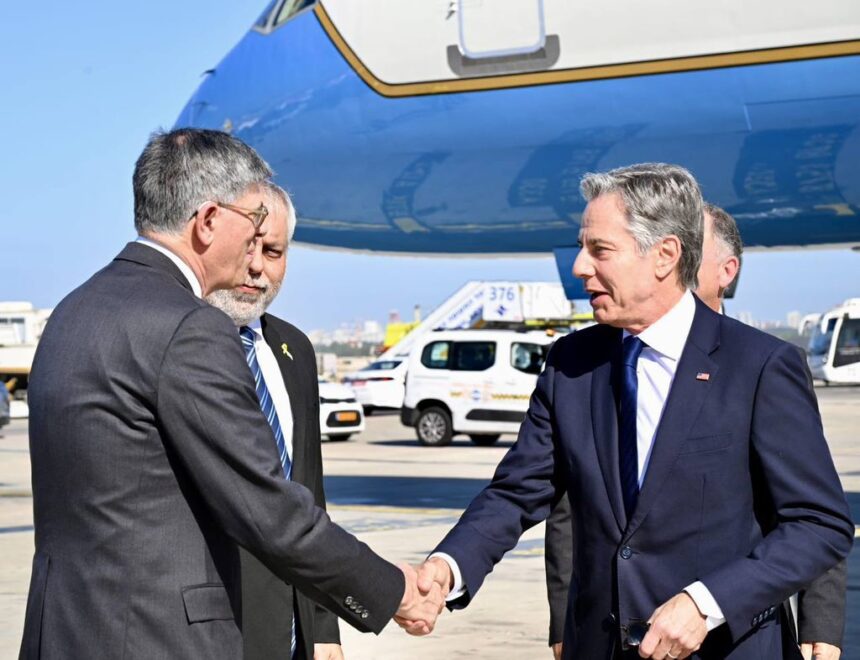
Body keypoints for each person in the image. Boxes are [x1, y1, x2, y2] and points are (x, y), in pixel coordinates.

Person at [20, 128, 442, 659]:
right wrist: (394, 588)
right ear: (208, 222)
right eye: (253, 223)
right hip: (158, 639)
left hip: (66, 635)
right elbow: (267, 509)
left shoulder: (74, 311)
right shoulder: (188, 327)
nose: (255, 250)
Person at [414, 163, 853, 659]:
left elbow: (819, 523)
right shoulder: (571, 363)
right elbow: (516, 493)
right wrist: (448, 567)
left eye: (600, 250)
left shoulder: (759, 366)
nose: (580, 266)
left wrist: (706, 603)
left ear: (665, 255)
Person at [543, 203, 848, 660]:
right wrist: (566, 617)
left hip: (728, 640)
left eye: (693, 248)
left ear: (726, 271)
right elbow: (569, 506)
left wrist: (819, 617)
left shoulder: (762, 365)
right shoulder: (593, 361)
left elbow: (805, 508)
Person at [205, 182, 343, 660]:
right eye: (249, 247)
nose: (258, 266)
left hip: (292, 632)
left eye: (275, 250)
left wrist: (325, 628)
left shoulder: (295, 349)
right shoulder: (178, 343)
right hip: (213, 625)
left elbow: (310, 498)